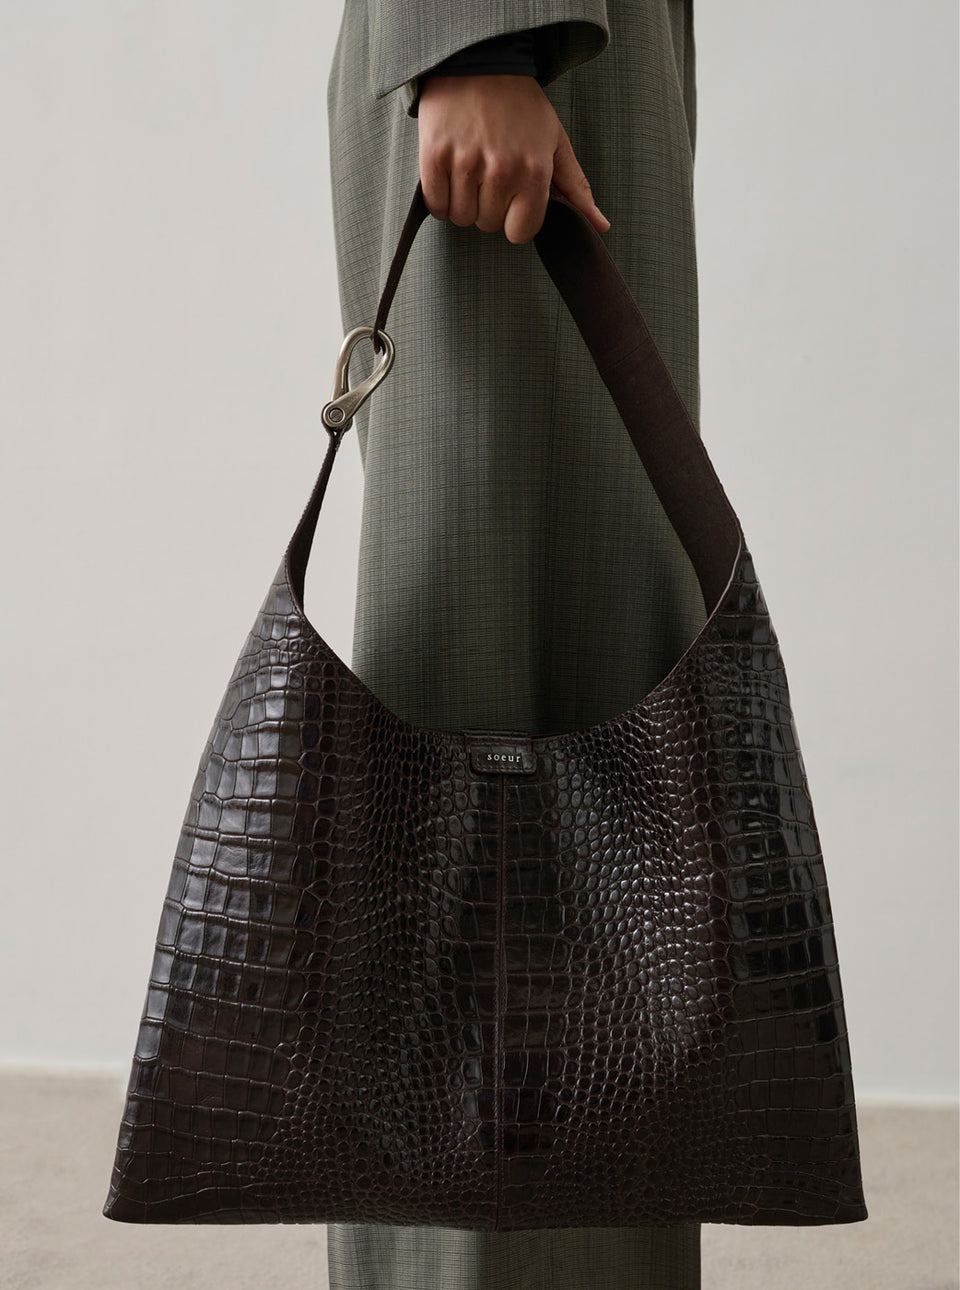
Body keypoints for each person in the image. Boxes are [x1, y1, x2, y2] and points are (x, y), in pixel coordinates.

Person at [325, 4, 704, 1286]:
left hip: (587, 50)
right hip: (527, 45)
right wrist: (477, 39)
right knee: (506, 693)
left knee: (594, 676)